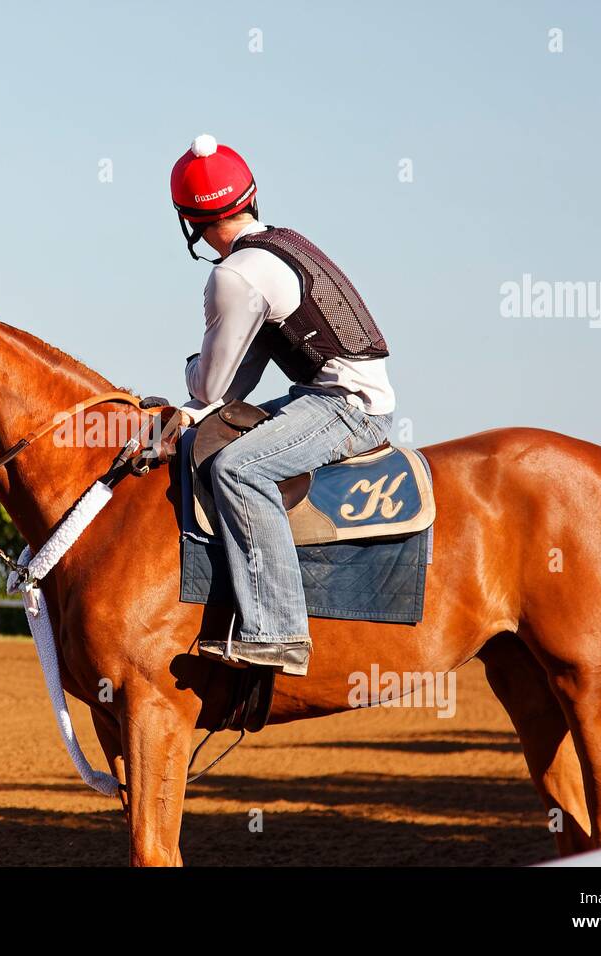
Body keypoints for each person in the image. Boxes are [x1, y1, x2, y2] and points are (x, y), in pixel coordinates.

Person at [168, 134, 395, 677]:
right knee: (212, 441)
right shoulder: (282, 243)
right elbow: (239, 377)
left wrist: (190, 381)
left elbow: (209, 383)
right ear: (249, 196)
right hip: (326, 393)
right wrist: (197, 414)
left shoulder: (235, 273)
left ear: (188, 220)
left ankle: (277, 632)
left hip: (347, 406)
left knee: (237, 469)